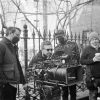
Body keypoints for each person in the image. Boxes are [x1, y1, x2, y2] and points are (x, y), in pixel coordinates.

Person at [52, 29, 80, 100]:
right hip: (62, 72)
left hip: (72, 71)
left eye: (60, 37)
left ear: (65, 35)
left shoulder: (73, 44)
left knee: (73, 91)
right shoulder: (57, 47)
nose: (59, 39)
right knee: (64, 92)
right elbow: (55, 60)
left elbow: (78, 57)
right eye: (58, 38)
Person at [0, 27, 25, 100]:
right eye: (17, 35)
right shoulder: (1, 45)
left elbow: (17, 64)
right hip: (5, 85)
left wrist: (22, 81)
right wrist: (4, 83)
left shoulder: (12, 46)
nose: (19, 37)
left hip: (12, 83)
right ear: (10, 33)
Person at [80, 31, 100, 100]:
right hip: (92, 78)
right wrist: (93, 60)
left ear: (98, 40)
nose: (95, 41)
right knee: (93, 95)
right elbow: (81, 61)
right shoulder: (86, 49)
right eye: (92, 39)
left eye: (96, 39)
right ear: (90, 41)